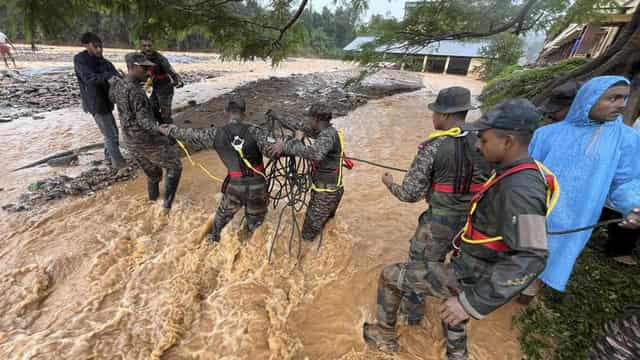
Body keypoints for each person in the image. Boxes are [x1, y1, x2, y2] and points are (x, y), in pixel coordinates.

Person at [363, 99, 557, 360]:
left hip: (472, 273)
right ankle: (457, 354)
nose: (477, 145)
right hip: (472, 263)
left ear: (508, 141)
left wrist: (473, 303)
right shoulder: (515, 172)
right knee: (452, 306)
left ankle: (384, 334)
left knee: (390, 276)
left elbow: (532, 256)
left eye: (485, 140)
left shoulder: (520, 189)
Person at [380, 86, 491, 326]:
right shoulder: (486, 141)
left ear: (443, 115)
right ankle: (453, 321)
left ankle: (413, 318)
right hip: (474, 225)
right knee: (455, 273)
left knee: (420, 270)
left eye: (434, 112)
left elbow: (410, 194)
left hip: (439, 224)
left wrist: (390, 184)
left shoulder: (433, 146)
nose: (433, 117)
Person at [529, 76, 640, 292]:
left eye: (624, 98)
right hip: (535, 212)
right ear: (588, 98)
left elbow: (625, 181)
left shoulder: (626, 140)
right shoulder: (547, 134)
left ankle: (530, 293)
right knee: (520, 252)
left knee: (551, 260)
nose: (621, 104)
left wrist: (633, 206)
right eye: (613, 98)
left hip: (576, 220)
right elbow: (527, 174)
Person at [159, 97, 275, 243]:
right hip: (258, 188)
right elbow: (274, 151)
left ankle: (211, 243)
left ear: (225, 112)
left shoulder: (215, 134)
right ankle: (247, 245)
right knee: (256, 226)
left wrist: (170, 130)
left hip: (235, 187)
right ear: (244, 113)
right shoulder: (257, 132)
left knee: (220, 221)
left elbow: (191, 135)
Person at [108, 53, 182, 211]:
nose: (149, 73)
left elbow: (112, 98)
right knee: (175, 166)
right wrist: (161, 128)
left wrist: (115, 81)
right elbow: (144, 121)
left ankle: (152, 203)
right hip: (145, 140)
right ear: (132, 67)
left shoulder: (119, 84)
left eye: (149, 68)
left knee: (154, 175)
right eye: (145, 68)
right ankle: (167, 207)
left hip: (129, 140)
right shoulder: (136, 92)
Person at [270, 103, 347, 242]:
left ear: (316, 120)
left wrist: (291, 143)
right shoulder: (325, 131)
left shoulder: (327, 136)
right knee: (325, 227)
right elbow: (299, 127)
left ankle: (306, 260)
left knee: (307, 235)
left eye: (309, 118)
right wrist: (278, 117)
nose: (307, 121)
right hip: (330, 192)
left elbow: (314, 154)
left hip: (325, 196)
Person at [74, 32, 126, 171]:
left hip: (107, 101)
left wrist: (121, 78)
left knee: (111, 132)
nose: (99, 50)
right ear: (86, 45)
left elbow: (116, 76)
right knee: (111, 134)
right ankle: (119, 165)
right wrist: (110, 76)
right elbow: (89, 79)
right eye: (95, 47)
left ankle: (109, 158)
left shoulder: (105, 62)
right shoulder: (80, 60)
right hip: (95, 102)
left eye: (100, 47)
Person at [140, 35, 184, 125]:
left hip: (166, 88)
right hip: (155, 87)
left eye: (149, 45)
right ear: (141, 46)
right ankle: (160, 126)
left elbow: (171, 70)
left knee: (166, 115)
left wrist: (178, 80)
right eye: (144, 46)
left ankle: (170, 133)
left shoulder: (161, 59)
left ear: (153, 46)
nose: (147, 48)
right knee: (151, 108)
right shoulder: (140, 57)